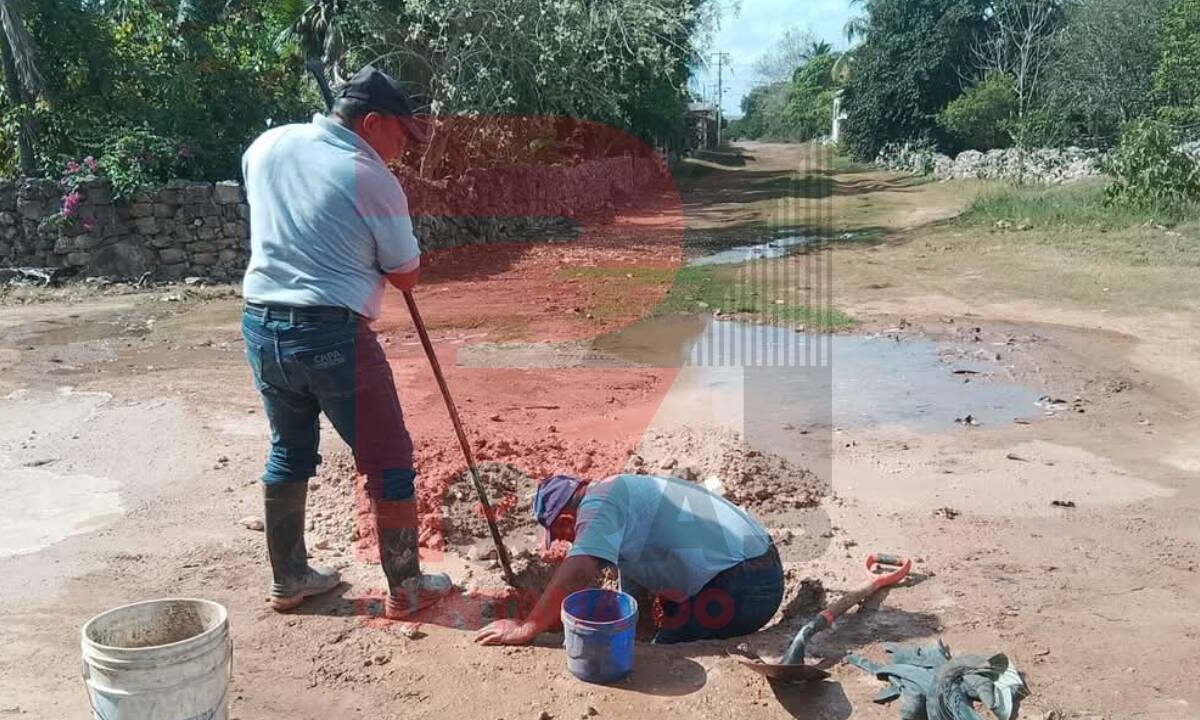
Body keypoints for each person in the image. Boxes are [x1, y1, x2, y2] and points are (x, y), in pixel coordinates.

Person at [240, 65, 452, 619]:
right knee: (389, 461)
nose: (404, 147)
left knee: (288, 449)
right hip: (330, 332)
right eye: (402, 134)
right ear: (373, 121)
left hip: (261, 326)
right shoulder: (371, 175)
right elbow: (405, 274)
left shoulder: (267, 146)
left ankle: (289, 578)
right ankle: (406, 589)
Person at [474, 473, 783, 645]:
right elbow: (633, 579)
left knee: (661, 657)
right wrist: (637, 626)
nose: (567, 541)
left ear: (568, 518)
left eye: (562, 533)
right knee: (657, 631)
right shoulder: (622, 495)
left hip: (744, 587)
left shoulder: (599, 503)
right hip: (761, 574)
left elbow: (580, 569)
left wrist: (528, 627)